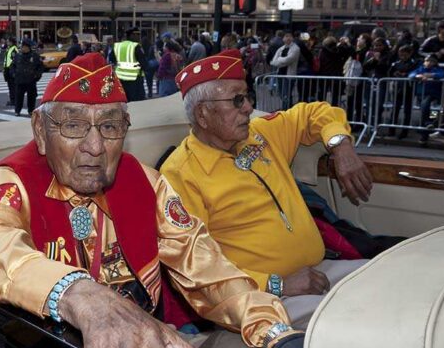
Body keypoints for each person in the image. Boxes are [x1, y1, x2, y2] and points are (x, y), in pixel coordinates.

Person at [0, 53, 310, 348]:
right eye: (73, 125)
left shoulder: (147, 185)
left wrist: (272, 329)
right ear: (40, 130)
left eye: (110, 127)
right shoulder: (14, 182)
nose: (95, 146)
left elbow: (207, 268)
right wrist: (79, 294)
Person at [160, 50, 374, 329]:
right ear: (203, 114)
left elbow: (315, 112)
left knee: (394, 285)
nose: (248, 107)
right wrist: (276, 284)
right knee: (369, 322)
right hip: (266, 298)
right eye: (237, 100)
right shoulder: (180, 176)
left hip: (322, 271)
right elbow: (199, 271)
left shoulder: (260, 134)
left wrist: (340, 146)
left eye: (248, 97)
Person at [409, 54, 444, 145]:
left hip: (434, 96)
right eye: (427, 60)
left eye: (431, 61)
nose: (429, 63)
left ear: (435, 62)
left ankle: (427, 127)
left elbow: (442, 75)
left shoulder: (438, 69)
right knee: (425, 111)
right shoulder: (420, 69)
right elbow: (411, 74)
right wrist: (418, 76)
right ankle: (426, 131)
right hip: (421, 95)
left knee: (431, 112)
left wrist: (431, 75)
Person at [387, 45, 419, 139]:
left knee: (407, 111)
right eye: (401, 55)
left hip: (409, 89)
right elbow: (389, 73)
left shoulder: (414, 63)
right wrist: (394, 73)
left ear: (409, 54)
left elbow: (414, 72)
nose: (403, 57)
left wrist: (405, 74)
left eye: (405, 55)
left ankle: (404, 131)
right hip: (398, 89)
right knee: (395, 109)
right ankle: (391, 130)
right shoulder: (396, 63)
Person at [110, 27, 148, 102]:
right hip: (135, 79)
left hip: (121, 79)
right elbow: (144, 63)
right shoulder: (136, 46)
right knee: (137, 102)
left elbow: (112, 59)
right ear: (131, 35)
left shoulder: (117, 46)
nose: (138, 37)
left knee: (124, 100)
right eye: (137, 35)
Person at [10, 39, 43, 117]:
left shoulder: (35, 56)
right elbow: (12, 66)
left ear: (28, 47)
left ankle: (31, 110)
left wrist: (37, 75)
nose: (22, 48)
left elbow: (40, 67)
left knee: (31, 97)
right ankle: (17, 110)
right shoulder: (18, 56)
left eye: (24, 47)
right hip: (19, 80)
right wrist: (13, 74)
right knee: (18, 97)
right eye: (22, 47)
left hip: (31, 80)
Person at [270, 32, 300, 109]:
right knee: (282, 94)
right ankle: (285, 109)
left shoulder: (295, 48)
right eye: (286, 36)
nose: (288, 38)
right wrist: (281, 62)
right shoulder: (281, 49)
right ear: (283, 38)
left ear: (293, 38)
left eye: (290, 36)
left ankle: (287, 110)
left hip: (289, 75)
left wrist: (279, 60)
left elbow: (289, 60)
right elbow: (274, 61)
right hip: (280, 74)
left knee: (287, 95)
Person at [3, 37, 19, 107]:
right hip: (7, 69)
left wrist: (13, 69)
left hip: (11, 69)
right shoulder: (9, 48)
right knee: (10, 86)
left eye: (8, 41)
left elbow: (15, 60)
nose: (7, 42)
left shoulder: (14, 49)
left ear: (11, 42)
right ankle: (12, 100)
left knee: (13, 86)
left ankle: (14, 101)